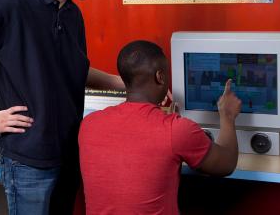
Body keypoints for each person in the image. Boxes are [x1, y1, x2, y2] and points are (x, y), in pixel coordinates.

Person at [0, 0, 124, 215]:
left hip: (68, 156)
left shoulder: (72, 15)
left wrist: (124, 84)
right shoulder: (7, 5)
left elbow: (72, 68)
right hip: (28, 162)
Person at [79, 40, 242, 215]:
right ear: (160, 77)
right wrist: (227, 115)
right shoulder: (177, 130)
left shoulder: (89, 125)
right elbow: (226, 164)